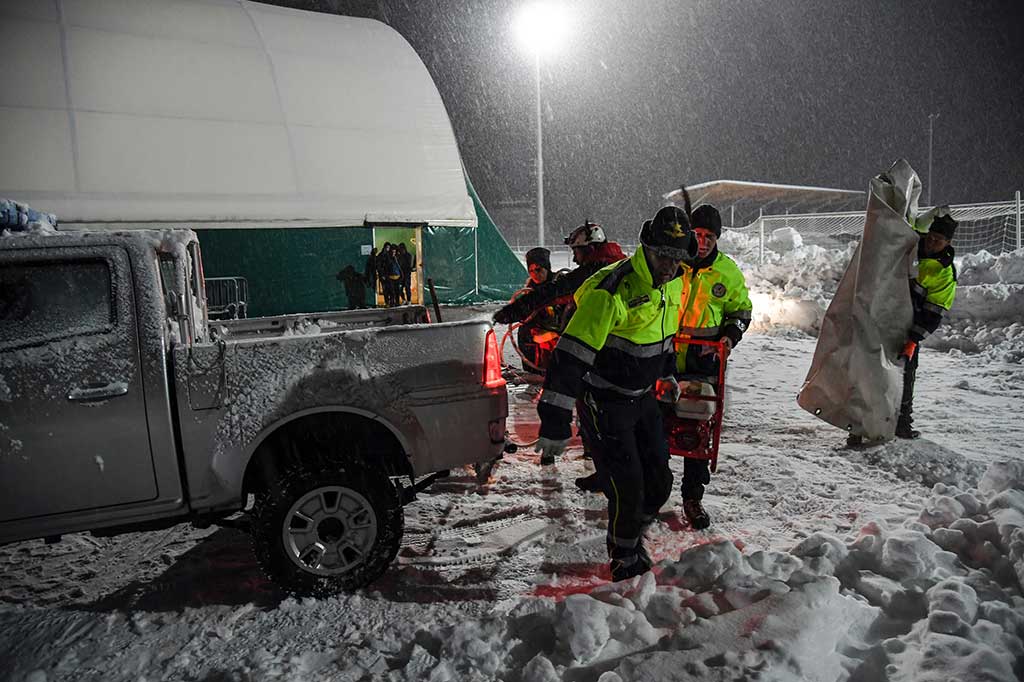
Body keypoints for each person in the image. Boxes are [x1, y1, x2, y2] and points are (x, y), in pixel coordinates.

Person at [534, 204, 697, 582]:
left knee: (660, 483)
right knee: (628, 485)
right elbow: (569, 358)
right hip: (605, 402)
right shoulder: (611, 291)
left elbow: (662, 335)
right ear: (646, 248)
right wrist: (555, 422)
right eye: (663, 255)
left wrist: (667, 374)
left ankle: (631, 529)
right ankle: (625, 558)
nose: (670, 265)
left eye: (677, 257)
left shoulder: (674, 283)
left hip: (643, 398)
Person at [668, 204, 752, 530]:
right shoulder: (671, 262)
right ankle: (652, 488)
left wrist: (729, 338)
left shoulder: (727, 272)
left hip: (702, 362)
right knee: (654, 422)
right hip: (663, 357)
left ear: (717, 238)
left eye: (709, 237)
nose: (702, 242)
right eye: (698, 234)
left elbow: (740, 312)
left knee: (697, 432)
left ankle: (692, 496)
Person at [897, 211, 958, 439]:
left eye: (938, 240)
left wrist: (913, 340)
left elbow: (934, 311)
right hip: (882, 317)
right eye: (930, 237)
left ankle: (902, 422)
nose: (931, 242)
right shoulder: (911, 246)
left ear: (948, 243)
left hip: (908, 326)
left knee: (905, 374)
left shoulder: (944, 272)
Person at [515, 247, 563, 373]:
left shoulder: (560, 285)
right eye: (531, 270)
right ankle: (535, 371)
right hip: (535, 340)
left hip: (558, 335)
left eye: (538, 269)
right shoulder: (529, 290)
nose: (535, 274)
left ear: (547, 268)